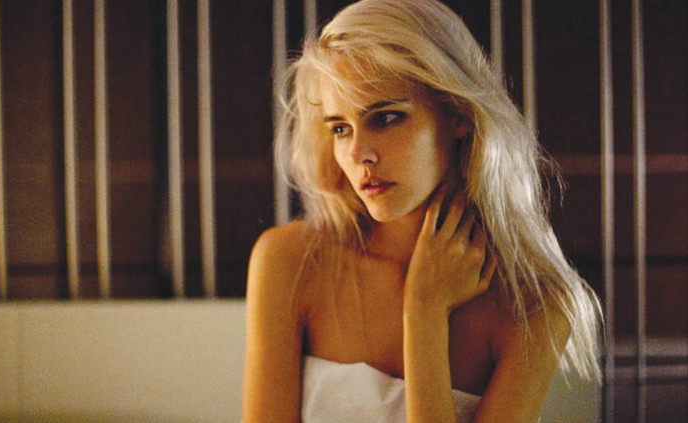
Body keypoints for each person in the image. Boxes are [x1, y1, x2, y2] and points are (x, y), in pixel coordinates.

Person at [242, 0, 602, 422]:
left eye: (386, 118)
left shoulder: (534, 304)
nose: (358, 154)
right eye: (340, 128)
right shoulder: (290, 261)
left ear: (458, 114)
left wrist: (425, 314)